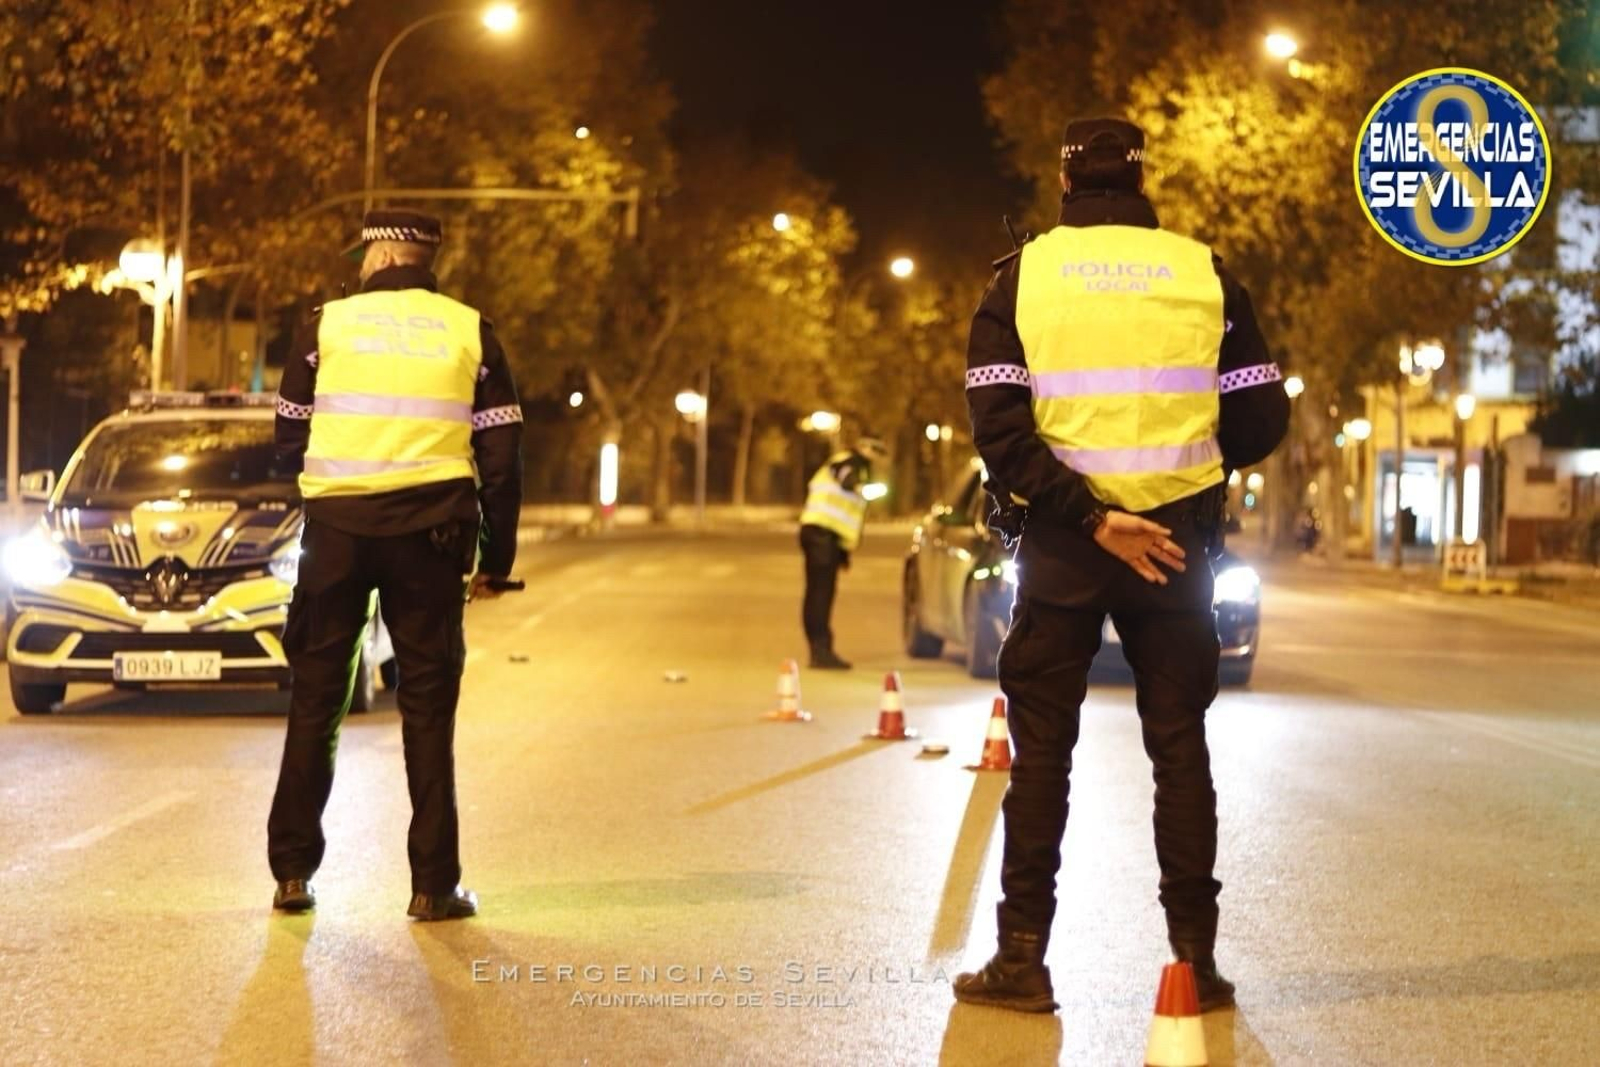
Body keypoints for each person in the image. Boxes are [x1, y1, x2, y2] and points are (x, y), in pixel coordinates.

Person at [953, 119, 1289, 1013]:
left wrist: (1094, 517)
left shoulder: (1023, 277)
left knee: (1042, 763)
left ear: (1065, 182)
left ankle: (1022, 958)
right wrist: (1166, 488)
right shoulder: (1204, 273)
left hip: (1067, 552)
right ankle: (1195, 964)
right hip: (1173, 551)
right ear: (1144, 180)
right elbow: (1260, 421)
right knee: (1181, 755)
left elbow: (999, 432)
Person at [267, 209, 524, 921]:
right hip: (432, 538)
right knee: (427, 711)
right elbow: (501, 460)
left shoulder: (324, 326)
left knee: (317, 700)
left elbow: (288, 437)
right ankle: (432, 884)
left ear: (380, 255)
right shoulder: (471, 329)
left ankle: (292, 872)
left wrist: (323, 491)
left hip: (338, 533)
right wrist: (495, 559)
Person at [797, 438, 888, 670]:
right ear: (865, 447)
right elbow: (846, 478)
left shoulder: (852, 463)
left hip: (825, 537)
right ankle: (820, 651)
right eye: (877, 450)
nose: (878, 456)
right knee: (820, 595)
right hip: (821, 535)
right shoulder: (849, 461)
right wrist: (859, 486)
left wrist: (843, 553)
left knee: (819, 593)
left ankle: (820, 650)